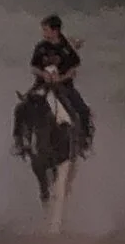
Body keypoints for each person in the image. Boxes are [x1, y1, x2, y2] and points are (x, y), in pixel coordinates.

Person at [27, 14, 93, 149]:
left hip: (64, 86)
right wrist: (43, 74)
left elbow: (74, 68)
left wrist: (61, 78)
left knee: (83, 110)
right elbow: (33, 67)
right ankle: (21, 139)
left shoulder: (66, 48)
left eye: (45, 30)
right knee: (22, 106)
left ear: (55, 30)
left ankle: (85, 140)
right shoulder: (41, 47)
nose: (43, 33)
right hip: (42, 85)